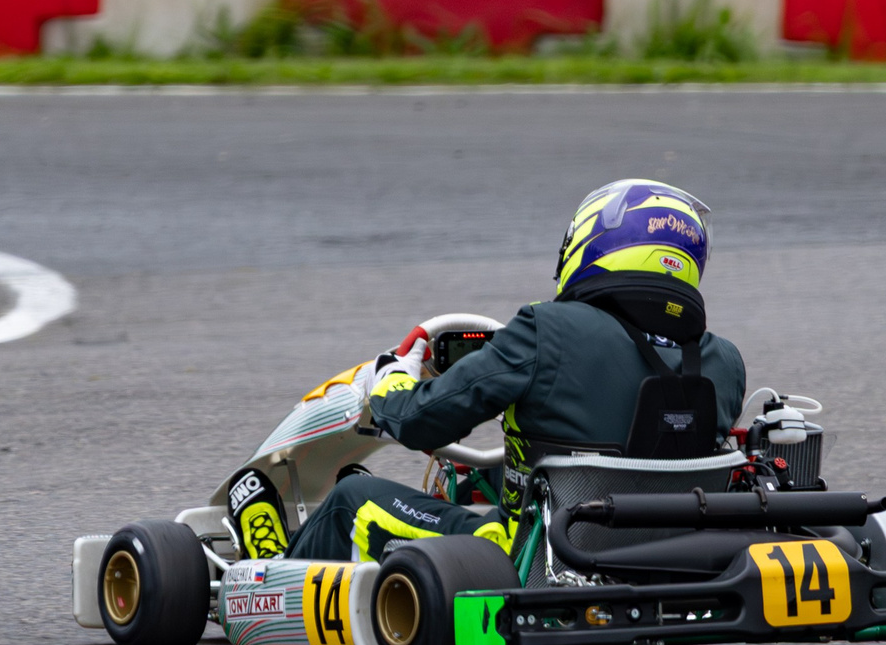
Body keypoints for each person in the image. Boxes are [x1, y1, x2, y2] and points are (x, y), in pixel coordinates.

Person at [266, 180, 748, 565]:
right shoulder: (724, 363)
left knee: (352, 495)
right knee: (489, 472)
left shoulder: (546, 329)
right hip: (660, 562)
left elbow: (418, 421)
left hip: (532, 560)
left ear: (595, 244)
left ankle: (262, 579)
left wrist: (393, 378)